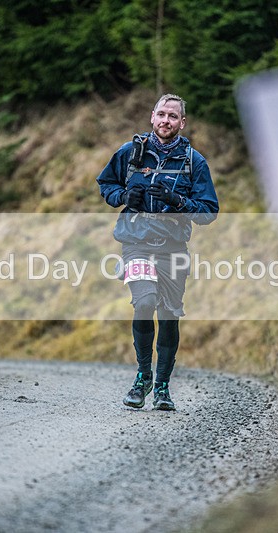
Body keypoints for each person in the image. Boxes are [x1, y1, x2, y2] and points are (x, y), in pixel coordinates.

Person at [96, 94, 219, 410]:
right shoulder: (130, 152)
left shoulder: (194, 162)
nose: (166, 121)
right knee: (145, 302)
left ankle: (162, 388)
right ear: (152, 117)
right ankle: (142, 377)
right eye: (162, 114)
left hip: (173, 249)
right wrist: (125, 196)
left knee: (168, 316)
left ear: (182, 123)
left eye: (173, 116)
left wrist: (178, 202)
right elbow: (105, 184)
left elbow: (209, 212)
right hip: (136, 244)